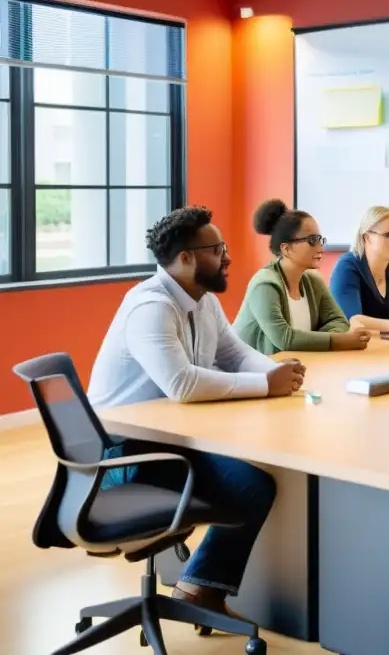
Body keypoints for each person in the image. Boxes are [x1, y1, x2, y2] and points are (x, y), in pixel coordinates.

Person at [88, 206, 305, 617]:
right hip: (125, 456)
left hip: (167, 439)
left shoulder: (201, 300)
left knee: (252, 480)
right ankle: (202, 587)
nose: (227, 257)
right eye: (217, 249)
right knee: (250, 485)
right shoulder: (151, 306)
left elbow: (234, 352)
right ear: (186, 258)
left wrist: (276, 372)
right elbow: (182, 384)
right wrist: (265, 385)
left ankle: (198, 587)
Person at [234, 199, 371, 354]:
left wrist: (312, 340)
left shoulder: (313, 280)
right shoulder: (264, 285)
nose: (320, 247)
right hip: (246, 374)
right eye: (312, 240)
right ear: (286, 249)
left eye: (320, 240)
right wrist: (340, 341)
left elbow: (339, 321)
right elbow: (285, 340)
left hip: (291, 368)